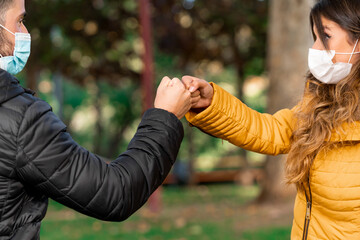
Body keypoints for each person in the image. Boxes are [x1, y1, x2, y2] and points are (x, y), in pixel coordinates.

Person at [0, 0, 198, 239]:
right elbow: (116, 192)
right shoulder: (19, 119)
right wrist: (165, 117)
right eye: (19, 21)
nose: (26, 33)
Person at [182, 0, 360, 239]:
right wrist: (212, 103)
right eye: (314, 37)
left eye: (325, 36)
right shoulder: (320, 105)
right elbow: (270, 131)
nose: (315, 48)